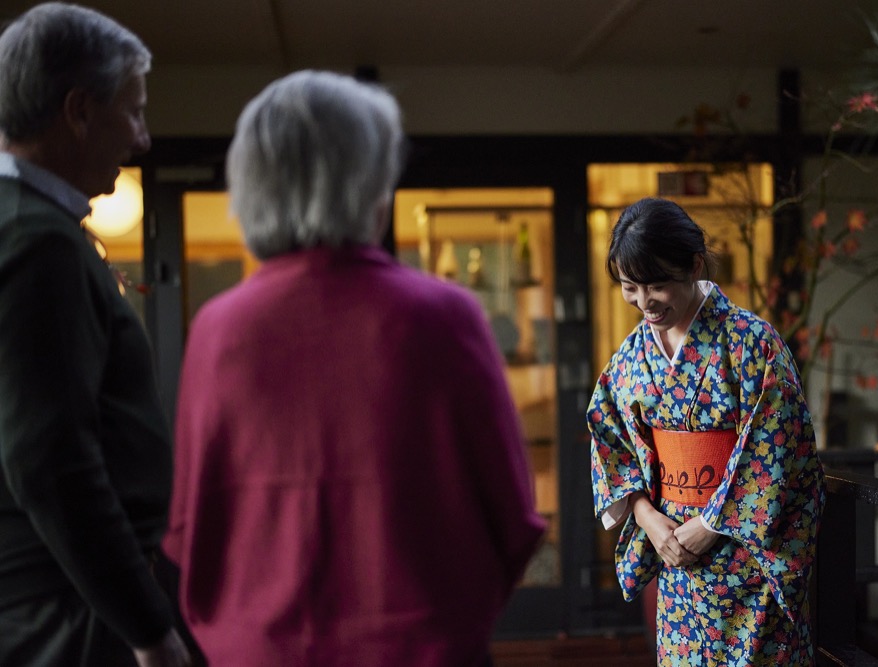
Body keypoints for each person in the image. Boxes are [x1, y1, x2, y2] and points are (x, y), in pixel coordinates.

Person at [162, 69, 546, 667]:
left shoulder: (217, 330)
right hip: (423, 648)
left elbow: (190, 527)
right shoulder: (445, 316)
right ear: (369, 181)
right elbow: (514, 520)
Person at [0, 3, 192, 666]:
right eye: (133, 111)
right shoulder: (36, 242)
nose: (142, 138)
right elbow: (49, 459)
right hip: (70, 610)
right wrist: (147, 626)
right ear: (79, 110)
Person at [588, 197, 825, 666]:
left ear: (694, 265)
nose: (644, 303)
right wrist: (648, 518)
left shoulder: (751, 342)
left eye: (657, 285)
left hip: (747, 557)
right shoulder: (631, 356)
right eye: (630, 287)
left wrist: (712, 523)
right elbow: (609, 436)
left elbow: (779, 445)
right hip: (674, 554)